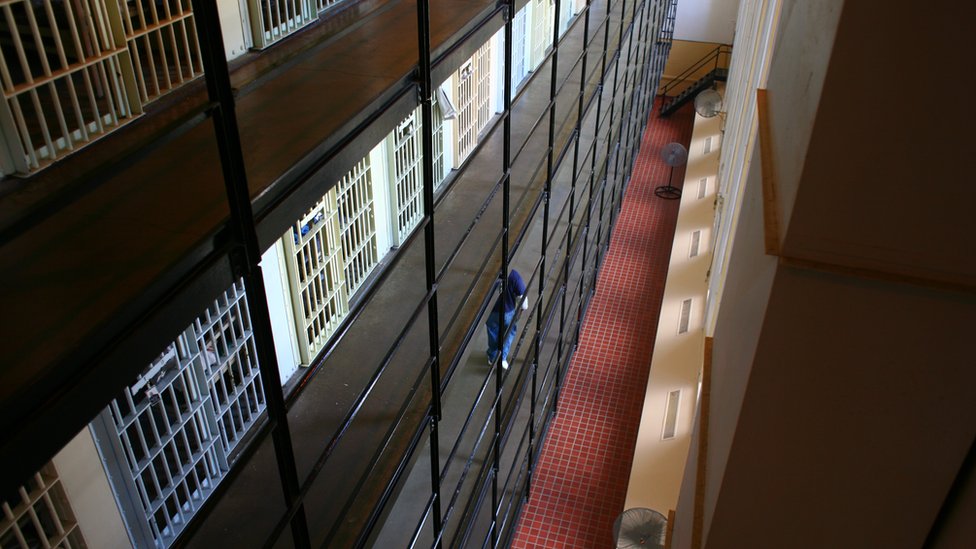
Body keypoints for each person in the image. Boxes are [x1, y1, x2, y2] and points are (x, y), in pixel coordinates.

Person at [486, 270, 529, 370]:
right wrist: (521, 310)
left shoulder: (487, 274)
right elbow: (523, 302)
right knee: (509, 333)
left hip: (490, 312)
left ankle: (492, 357)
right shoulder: (513, 275)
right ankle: (502, 358)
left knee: (493, 332)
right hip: (507, 312)